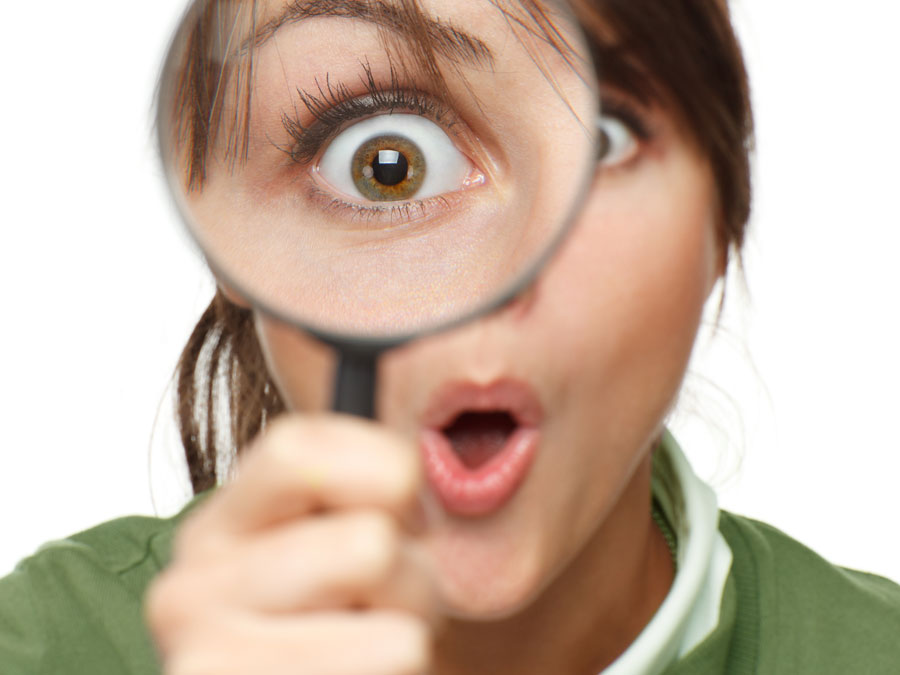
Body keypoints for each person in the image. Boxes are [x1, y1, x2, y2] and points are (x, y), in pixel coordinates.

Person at [1, 1, 898, 674]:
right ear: (219, 236)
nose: (500, 279)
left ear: (722, 212)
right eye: (384, 161)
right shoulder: (41, 644)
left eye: (605, 137)